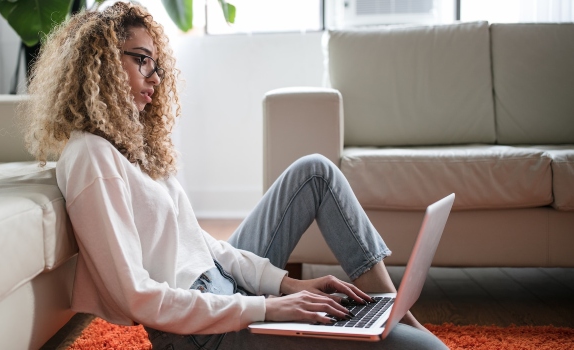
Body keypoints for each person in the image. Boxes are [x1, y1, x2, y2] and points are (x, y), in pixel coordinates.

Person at [22, 2, 447, 349]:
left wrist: (286, 285)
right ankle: (397, 326)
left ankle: (393, 311)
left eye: (157, 65)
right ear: (101, 64)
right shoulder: (91, 157)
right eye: (142, 60)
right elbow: (136, 296)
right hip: (198, 334)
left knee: (315, 172)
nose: (154, 76)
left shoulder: (134, 150)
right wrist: (266, 308)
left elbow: (202, 244)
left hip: (226, 293)